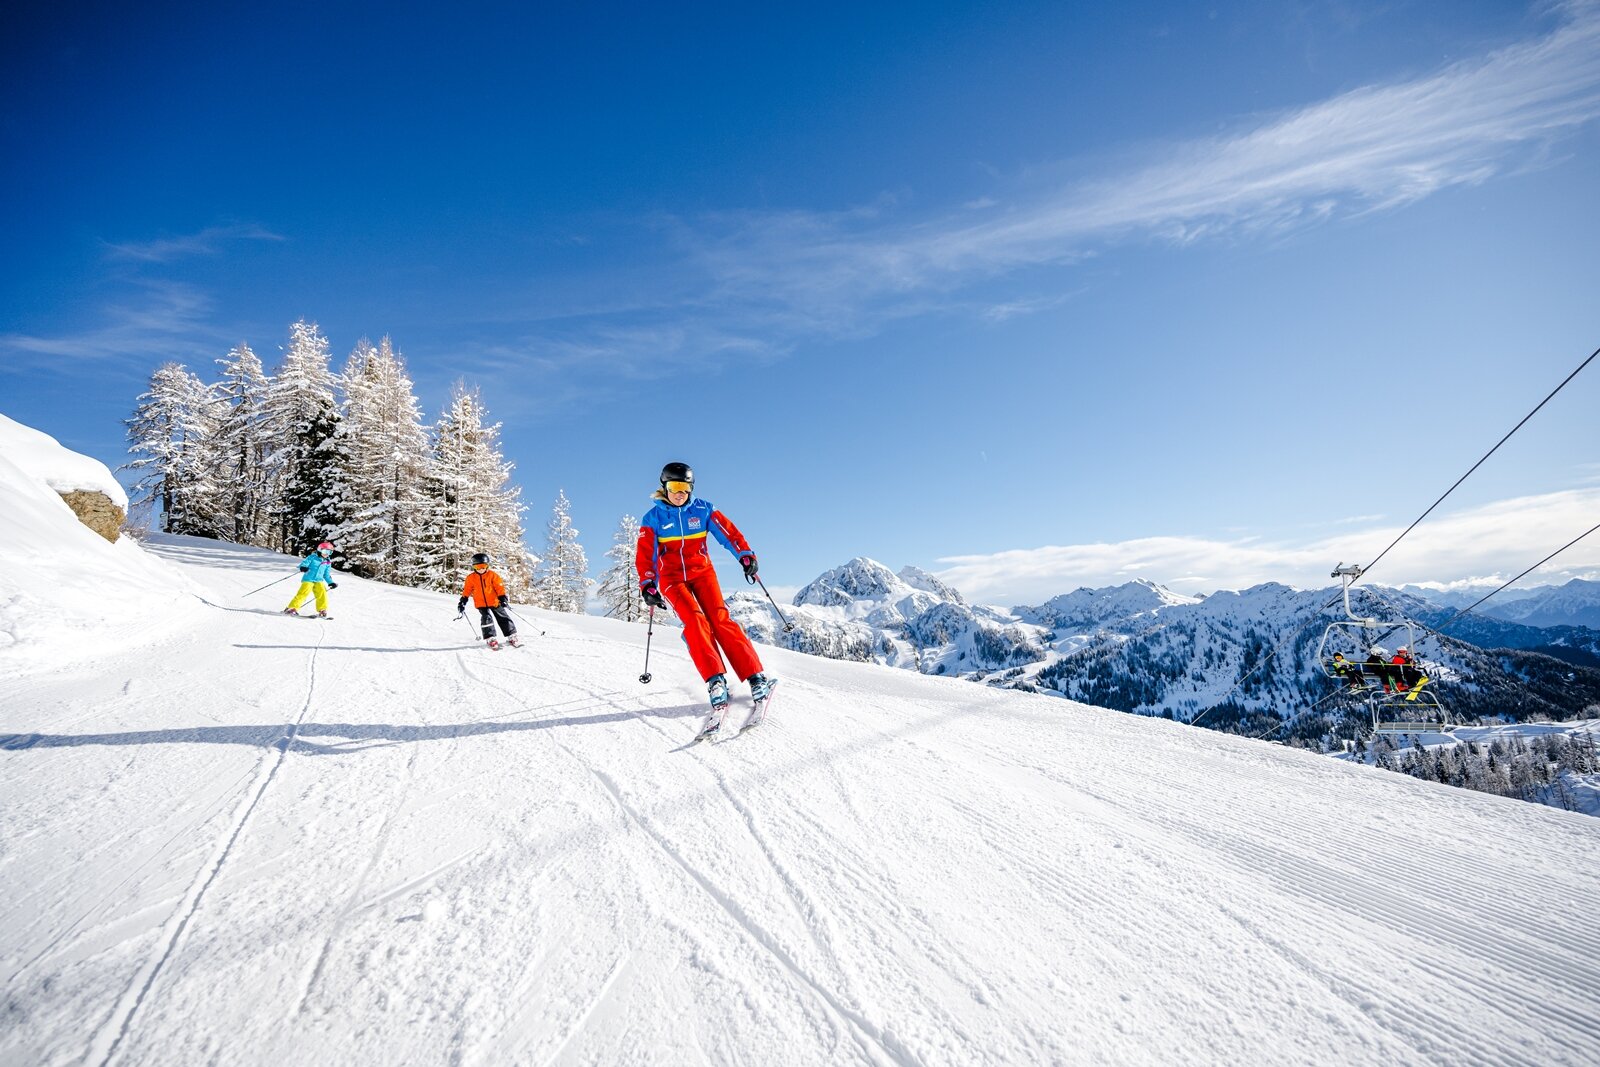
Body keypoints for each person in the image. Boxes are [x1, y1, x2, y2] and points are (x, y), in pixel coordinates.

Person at [636, 461, 776, 731]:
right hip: (672, 579)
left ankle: (755, 676)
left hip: (702, 573)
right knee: (695, 621)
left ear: (691, 488)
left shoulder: (703, 510)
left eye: (685, 487)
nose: (680, 493)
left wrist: (745, 556)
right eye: (674, 487)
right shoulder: (652, 519)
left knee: (720, 619)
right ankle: (715, 680)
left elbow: (729, 534)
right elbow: (645, 557)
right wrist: (648, 585)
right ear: (664, 487)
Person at [457, 552, 520, 650]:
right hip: (481, 603)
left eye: (483, 566)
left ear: (487, 566)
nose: (481, 569)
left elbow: (499, 587)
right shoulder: (471, 578)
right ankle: (490, 638)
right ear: (474, 567)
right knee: (486, 618)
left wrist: (502, 597)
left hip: (494, 601)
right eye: (478, 567)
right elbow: (467, 590)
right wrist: (463, 601)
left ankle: (511, 635)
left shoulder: (492, 575)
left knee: (503, 617)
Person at [283, 541, 338, 618]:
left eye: (329, 552)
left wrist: (331, 582)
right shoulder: (312, 557)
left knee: (322, 593)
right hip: (308, 579)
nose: (327, 553)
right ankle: (292, 608)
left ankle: (322, 609)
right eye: (325, 551)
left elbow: (326, 575)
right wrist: (303, 567)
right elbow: (305, 562)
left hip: (318, 580)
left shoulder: (327, 562)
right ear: (319, 550)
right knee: (303, 593)